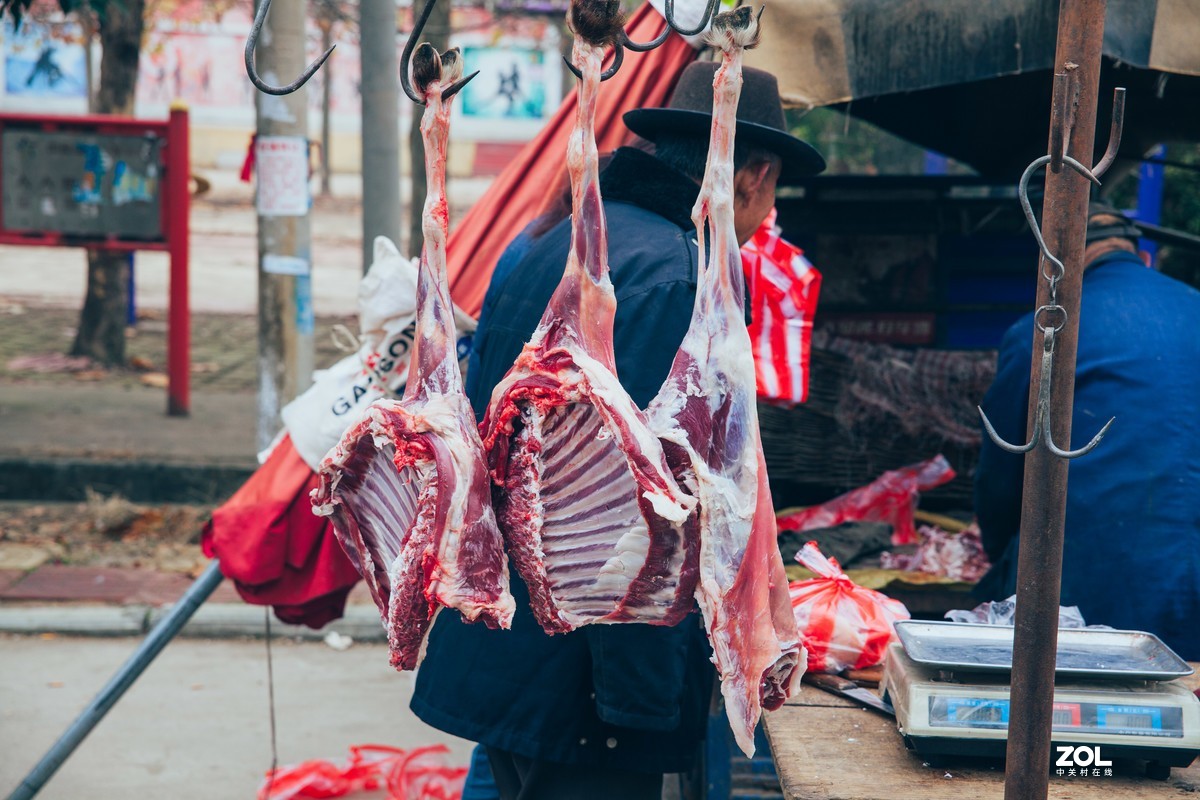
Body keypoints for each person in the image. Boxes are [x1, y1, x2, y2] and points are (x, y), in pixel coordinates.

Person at [410, 61, 825, 800]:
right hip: (586, 680)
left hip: (507, 639)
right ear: (755, 175)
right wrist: (638, 703)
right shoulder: (676, 276)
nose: (766, 214)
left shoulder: (547, 241)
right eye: (774, 193)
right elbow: (638, 507)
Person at [974, 202, 1200, 660]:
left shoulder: (1041, 329)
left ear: (1052, 270)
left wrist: (1001, 555)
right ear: (1143, 257)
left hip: (1086, 595)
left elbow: (1002, 476)